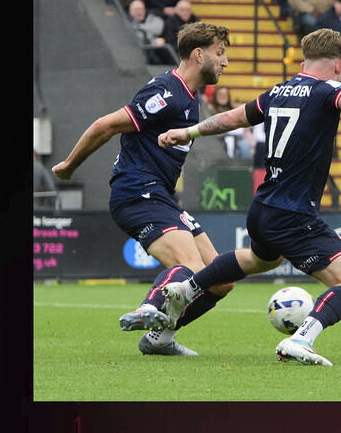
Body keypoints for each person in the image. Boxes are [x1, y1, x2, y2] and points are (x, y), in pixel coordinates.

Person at [155, 28, 341, 366]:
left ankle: (189, 287)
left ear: (304, 61)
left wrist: (188, 132)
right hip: (293, 213)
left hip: (263, 207)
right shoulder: (326, 90)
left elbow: (233, 118)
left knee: (260, 260)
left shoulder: (277, 91)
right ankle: (301, 339)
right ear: (339, 65)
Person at [52, 22, 239, 356]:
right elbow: (105, 125)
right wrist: (68, 165)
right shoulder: (167, 92)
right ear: (199, 54)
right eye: (220, 53)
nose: (225, 61)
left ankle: (160, 338)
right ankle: (148, 308)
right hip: (137, 192)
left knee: (221, 279)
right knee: (191, 267)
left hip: (161, 196)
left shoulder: (189, 95)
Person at [207, 86, 253, 159]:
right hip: (218, 139)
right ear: (215, 96)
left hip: (235, 137)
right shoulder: (209, 109)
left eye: (225, 94)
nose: (223, 96)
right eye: (220, 94)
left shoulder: (234, 109)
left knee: (244, 145)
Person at [128, 0, 177, 66]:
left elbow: (158, 29)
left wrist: (139, 28)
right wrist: (153, 41)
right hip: (136, 50)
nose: (139, 11)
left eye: (141, 9)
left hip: (154, 49)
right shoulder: (127, 22)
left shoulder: (153, 18)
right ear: (130, 12)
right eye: (136, 9)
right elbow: (137, 36)